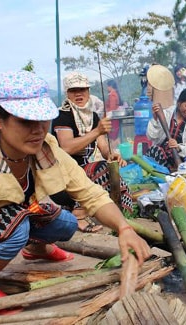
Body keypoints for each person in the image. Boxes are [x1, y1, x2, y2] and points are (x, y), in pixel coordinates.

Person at [0, 71, 150, 314]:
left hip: (5, 222)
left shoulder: (45, 148)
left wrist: (124, 228)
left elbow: (89, 192)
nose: (38, 130)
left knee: (66, 223)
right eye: (26, 121)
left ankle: (35, 248)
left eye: (42, 119)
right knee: (17, 222)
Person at [51, 72, 132, 232]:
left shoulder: (92, 116)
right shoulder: (62, 115)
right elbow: (66, 148)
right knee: (99, 169)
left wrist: (112, 154)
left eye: (83, 90)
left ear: (88, 92)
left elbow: (103, 147)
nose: (79, 94)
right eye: (74, 90)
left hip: (80, 171)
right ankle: (78, 215)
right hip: (60, 176)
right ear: (68, 93)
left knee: (109, 167)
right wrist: (96, 131)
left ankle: (118, 212)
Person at [146, 88, 186, 170]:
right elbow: (151, 136)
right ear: (179, 103)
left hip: (182, 158)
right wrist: (155, 120)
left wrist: (178, 147)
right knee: (154, 150)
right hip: (160, 156)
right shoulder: (166, 114)